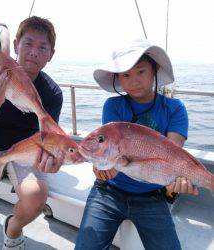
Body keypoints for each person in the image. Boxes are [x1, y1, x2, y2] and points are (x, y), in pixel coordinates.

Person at [75, 39, 198, 250]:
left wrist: (177, 179)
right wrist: (103, 169)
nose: (134, 81)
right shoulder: (113, 106)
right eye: (125, 75)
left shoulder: (175, 108)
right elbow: (109, 151)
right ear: (118, 78)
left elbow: (173, 154)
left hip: (151, 196)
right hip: (108, 193)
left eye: (141, 71)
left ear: (154, 70)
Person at [0, 16, 64, 250]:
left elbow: (48, 139)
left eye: (42, 47)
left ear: (51, 54)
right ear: (16, 45)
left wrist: (54, 157)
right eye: (28, 44)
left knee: (36, 197)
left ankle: (13, 229)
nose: (34, 52)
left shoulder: (52, 93)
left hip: (25, 152)